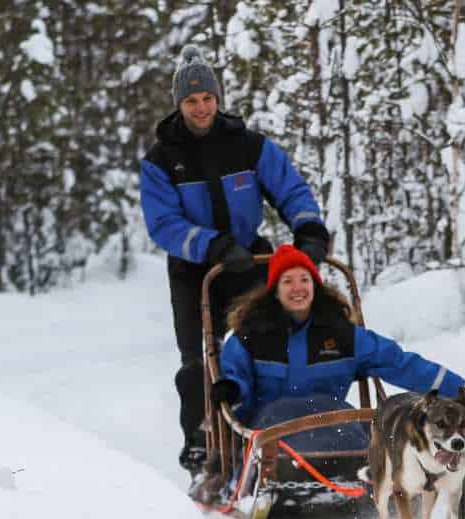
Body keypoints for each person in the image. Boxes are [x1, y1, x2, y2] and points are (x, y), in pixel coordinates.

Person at [139, 44, 331, 476]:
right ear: (179, 105)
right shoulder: (161, 160)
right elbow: (163, 224)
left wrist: (309, 230)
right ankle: (201, 448)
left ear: (217, 98)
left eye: (207, 98)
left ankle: (272, 434)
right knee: (199, 360)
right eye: (191, 101)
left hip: (248, 261)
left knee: (265, 345)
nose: (201, 107)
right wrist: (210, 245)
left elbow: (290, 189)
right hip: (195, 270)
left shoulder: (247, 145)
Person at [212, 244, 465, 474]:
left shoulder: (343, 335)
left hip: (331, 422)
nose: (297, 288)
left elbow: (399, 362)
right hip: (274, 428)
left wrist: (454, 392)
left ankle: (373, 478)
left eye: (304, 280)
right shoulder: (249, 337)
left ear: (315, 285)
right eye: (287, 281)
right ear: (274, 290)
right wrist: (232, 391)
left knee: (364, 432)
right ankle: (275, 476)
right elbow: (239, 389)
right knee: (286, 430)